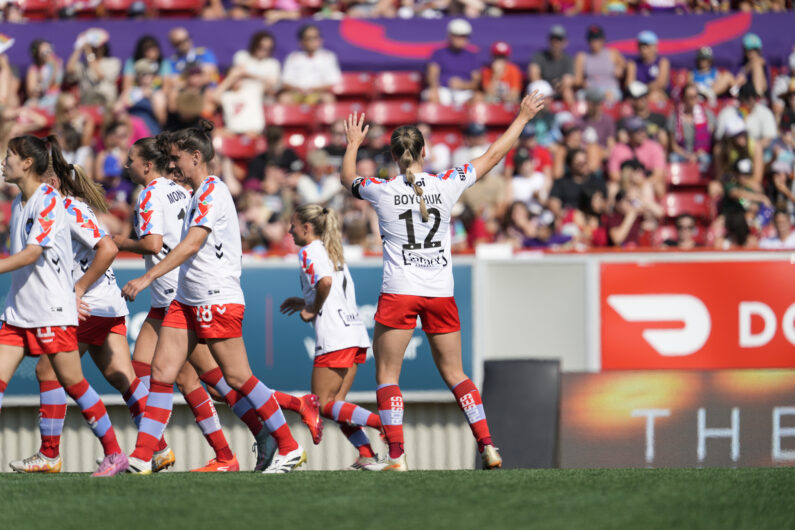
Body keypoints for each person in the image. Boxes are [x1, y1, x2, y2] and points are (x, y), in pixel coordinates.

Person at [340, 89, 545, 470]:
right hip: (440, 293)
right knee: (455, 373)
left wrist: (353, 143)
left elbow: (347, 177)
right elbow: (493, 156)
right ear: (424, 153)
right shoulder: (446, 183)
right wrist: (521, 118)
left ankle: (397, 457)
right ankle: (488, 445)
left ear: (392, 156)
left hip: (399, 292)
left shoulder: (382, 191)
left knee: (387, 374)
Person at [121, 121, 305, 475]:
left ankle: (289, 444)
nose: (172, 166)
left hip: (214, 298)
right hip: (186, 300)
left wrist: (147, 276)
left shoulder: (210, 192)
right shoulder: (193, 193)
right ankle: (143, 456)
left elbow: (190, 244)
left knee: (237, 379)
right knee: (161, 373)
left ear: (196, 156)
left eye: (177, 159)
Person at [9, 142, 159, 475]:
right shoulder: (41, 206)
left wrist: (76, 291)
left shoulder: (65, 207)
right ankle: (155, 449)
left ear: (49, 179)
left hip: (90, 305)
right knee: (123, 378)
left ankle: (50, 454)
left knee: (49, 373)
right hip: (104, 304)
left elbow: (107, 247)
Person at [278, 204, 383, 470]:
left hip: (334, 335)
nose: (289, 230)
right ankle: (367, 454)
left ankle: (384, 423)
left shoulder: (308, 251)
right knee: (336, 405)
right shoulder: (331, 250)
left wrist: (311, 308)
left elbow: (325, 283)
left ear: (307, 227)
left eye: (293, 225)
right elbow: (332, 288)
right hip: (354, 332)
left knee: (322, 404)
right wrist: (305, 300)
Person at [280, 24, 342, 105]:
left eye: (316, 37)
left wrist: (313, 89)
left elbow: (333, 81)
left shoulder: (328, 57)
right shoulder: (293, 58)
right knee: (284, 99)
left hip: (319, 94)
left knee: (328, 99)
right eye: (309, 38)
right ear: (301, 42)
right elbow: (285, 82)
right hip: (297, 94)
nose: (313, 41)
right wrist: (300, 89)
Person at [425, 19, 480, 106]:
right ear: (450, 36)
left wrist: (463, 85)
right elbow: (432, 75)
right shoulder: (438, 53)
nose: (460, 39)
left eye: (464, 36)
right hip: (443, 90)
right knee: (431, 95)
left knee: (478, 97)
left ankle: (469, 120)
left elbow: (476, 82)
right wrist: (435, 88)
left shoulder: (472, 56)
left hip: (464, 93)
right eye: (457, 35)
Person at [66, 28, 122, 106]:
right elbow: (70, 70)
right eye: (92, 46)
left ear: (103, 47)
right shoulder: (83, 65)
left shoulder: (113, 62)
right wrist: (79, 47)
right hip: (87, 103)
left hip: (106, 102)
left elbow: (99, 75)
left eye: (96, 47)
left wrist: (88, 51)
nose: (94, 49)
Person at [667, 83, 715, 172]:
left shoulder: (707, 114)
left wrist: (697, 154)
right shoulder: (674, 117)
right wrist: (688, 156)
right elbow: (673, 145)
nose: (694, 100)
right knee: (673, 158)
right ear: (684, 99)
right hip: (683, 153)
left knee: (705, 160)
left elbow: (711, 139)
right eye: (690, 97)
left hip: (701, 153)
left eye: (696, 96)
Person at [574, 25, 624, 103]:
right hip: (591, 89)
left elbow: (625, 65)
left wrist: (620, 67)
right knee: (581, 96)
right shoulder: (582, 57)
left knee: (608, 96)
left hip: (610, 89)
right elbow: (578, 80)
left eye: (597, 39)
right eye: (592, 39)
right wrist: (583, 83)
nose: (594, 42)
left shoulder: (612, 53)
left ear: (603, 40)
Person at [529, 25, 575, 106]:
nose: (555, 42)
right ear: (549, 40)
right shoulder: (539, 56)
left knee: (567, 91)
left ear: (565, 42)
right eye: (553, 39)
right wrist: (547, 89)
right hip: (543, 91)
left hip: (559, 91)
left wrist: (558, 86)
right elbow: (534, 75)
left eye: (559, 39)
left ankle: (573, 115)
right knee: (535, 89)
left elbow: (568, 81)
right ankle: (535, 117)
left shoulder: (568, 59)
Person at [232, 31, 281, 101]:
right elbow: (237, 73)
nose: (264, 51)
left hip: (263, 97)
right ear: (254, 44)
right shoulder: (242, 55)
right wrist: (263, 78)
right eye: (260, 47)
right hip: (241, 95)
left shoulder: (274, 63)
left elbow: (274, 84)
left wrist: (248, 75)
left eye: (268, 48)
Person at [625, 31, 670, 103]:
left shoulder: (662, 62)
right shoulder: (632, 64)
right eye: (641, 45)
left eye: (647, 45)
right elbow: (629, 85)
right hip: (637, 96)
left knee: (654, 96)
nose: (643, 48)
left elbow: (661, 83)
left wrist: (642, 89)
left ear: (655, 47)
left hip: (657, 95)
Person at [25, 39, 63, 110]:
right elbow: (31, 92)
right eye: (45, 52)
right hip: (43, 99)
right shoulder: (35, 69)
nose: (49, 54)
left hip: (57, 98)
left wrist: (54, 66)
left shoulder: (57, 63)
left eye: (50, 50)